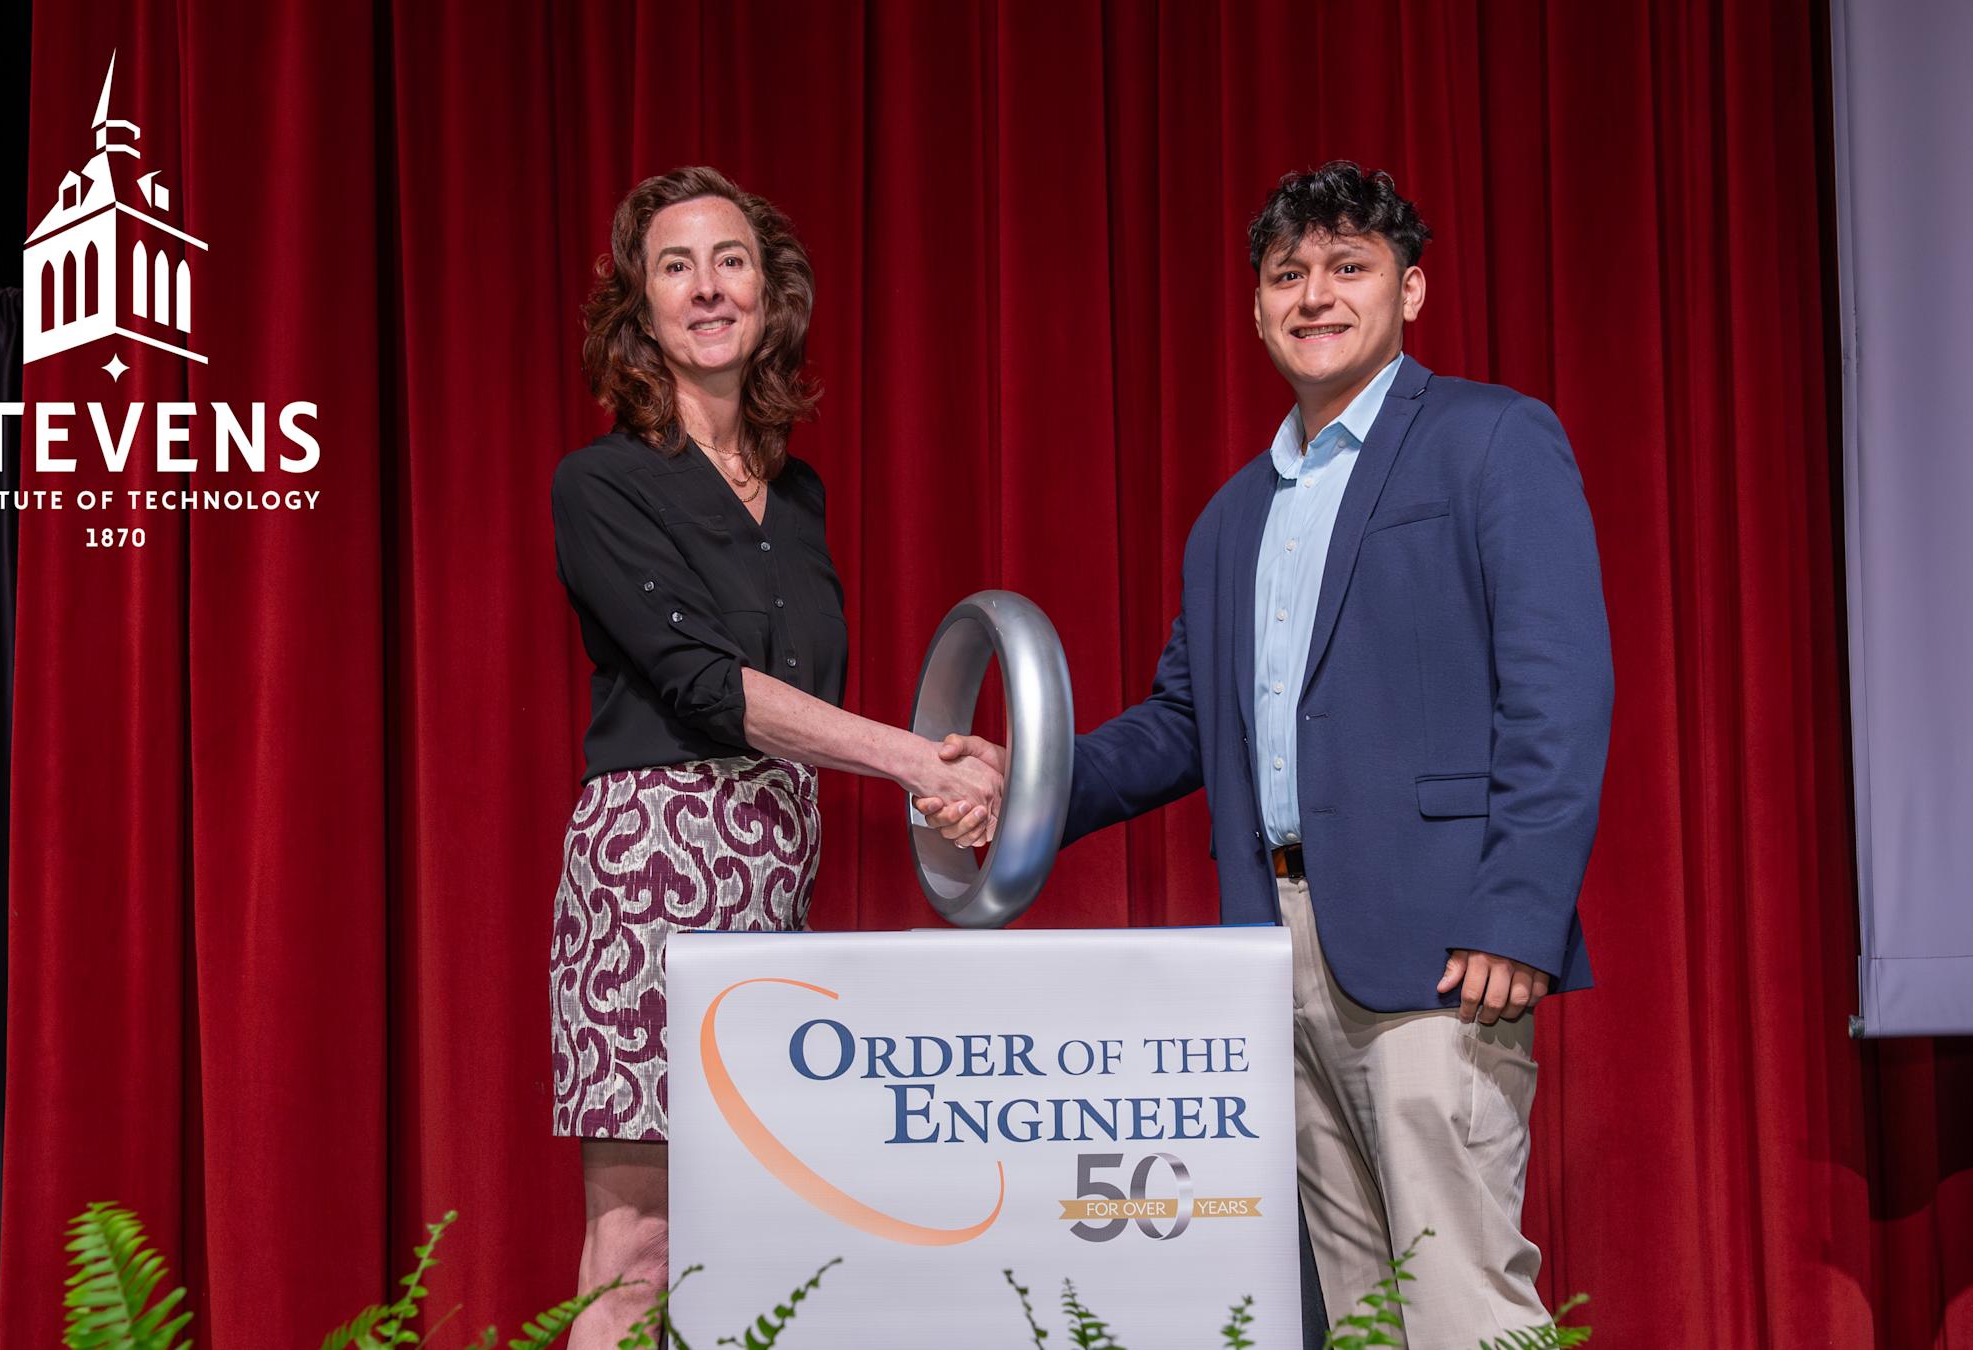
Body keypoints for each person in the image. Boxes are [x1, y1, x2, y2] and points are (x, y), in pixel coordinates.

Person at [921, 161, 1611, 1345]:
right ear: (1255, 308)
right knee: (1358, 1311)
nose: (1316, 295)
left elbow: (1559, 692)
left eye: (1350, 267)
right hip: (1270, 944)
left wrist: (1518, 913)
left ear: (1413, 289)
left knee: (1458, 1298)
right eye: (1289, 274)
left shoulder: (1493, 440)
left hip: (1441, 944)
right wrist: (1023, 785)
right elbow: (1187, 724)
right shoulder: (1233, 515)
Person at [550, 165, 1002, 1346]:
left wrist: (945, 774)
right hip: (652, 868)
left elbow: (805, 701)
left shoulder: (796, 494)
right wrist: (917, 762)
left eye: (731, 260)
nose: (707, 288)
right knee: (638, 1241)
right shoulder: (599, 483)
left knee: (760, 1230)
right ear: (639, 309)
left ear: (770, 292)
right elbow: (705, 688)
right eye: (675, 266)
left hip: (770, 875)